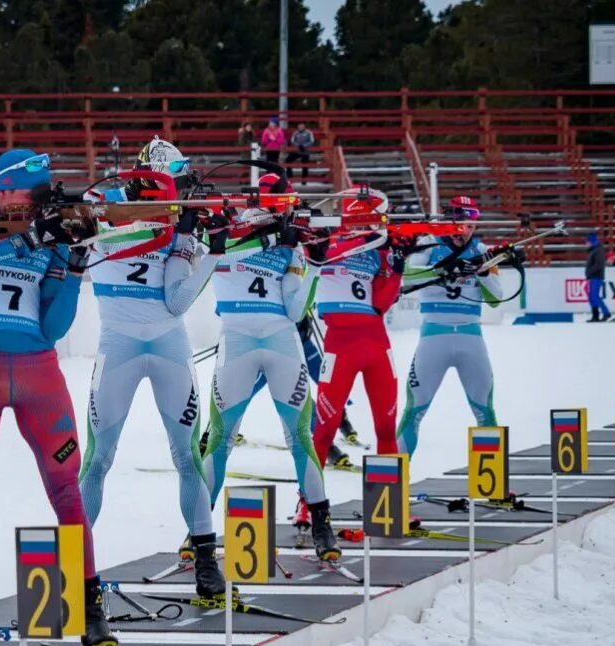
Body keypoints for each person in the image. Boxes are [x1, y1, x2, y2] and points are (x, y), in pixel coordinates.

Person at [0, 149, 111, 646]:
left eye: (34, 200)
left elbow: (51, 328)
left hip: (38, 375)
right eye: (22, 195)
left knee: (67, 493)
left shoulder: (47, 232)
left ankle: (92, 607)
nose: (27, 206)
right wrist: (26, 241)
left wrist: (72, 267)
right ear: (2, 189)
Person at [78, 136, 227, 600]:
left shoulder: (178, 220)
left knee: (186, 456)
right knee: (98, 460)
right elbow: (82, 213)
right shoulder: (102, 204)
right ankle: (77, 570)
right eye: (173, 182)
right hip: (118, 345)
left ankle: (205, 560)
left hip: (168, 346)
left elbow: (177, 301)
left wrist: (208, 246)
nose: (179, 191)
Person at [200, 205, 340, 562]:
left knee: (300, 437)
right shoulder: (226, 243)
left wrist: (315, 266)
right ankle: (197, 531)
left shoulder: (288, 247)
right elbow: (206, 255)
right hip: (236, 343)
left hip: (281, 341)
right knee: (219, 439)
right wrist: (265, 237)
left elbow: (296, 310)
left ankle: (322, 524)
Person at [396, 195, 514, 457]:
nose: (467, 231)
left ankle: (493, 490)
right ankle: (394, 486)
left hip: (471, 338)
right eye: (462, 224)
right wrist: (444, 269)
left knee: (485, 411)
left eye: (472, 226)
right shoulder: (427, 244)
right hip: (433, 336)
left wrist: (482, 271)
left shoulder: (483, 251)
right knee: (414, 410)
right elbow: (405, 275)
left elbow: (495, 300)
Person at [309, 186, 403, 488]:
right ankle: (307, 505)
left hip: (377, 345)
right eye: (360, 222)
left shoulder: (378, 252)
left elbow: (380, 304)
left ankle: (391, 505)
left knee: (386, 429)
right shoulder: (326, 244)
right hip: (340, 347)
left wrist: (395, 267)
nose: (367, 229)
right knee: (324, 430)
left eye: (371, 223)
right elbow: (316, 258)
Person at [584, 231, 609, 323]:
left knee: (594, 296)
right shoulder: (593, 250)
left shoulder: (598, 250)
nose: (585, 244)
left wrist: (590, 272)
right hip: (592, 277)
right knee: (591, 297)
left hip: (596, 276)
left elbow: (599, 264)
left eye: (587, 241)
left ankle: (606, 312)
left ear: (592, 241)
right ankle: (595, 315)